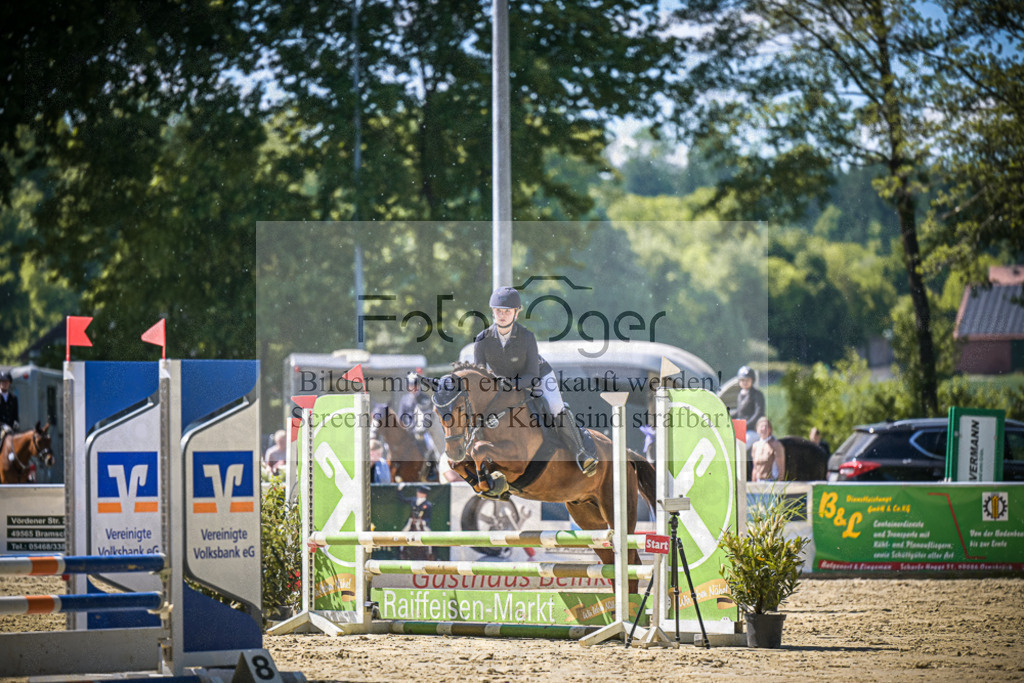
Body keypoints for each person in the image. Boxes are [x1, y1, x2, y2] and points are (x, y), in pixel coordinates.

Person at [473, 286, 597, 476]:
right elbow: (479, 374)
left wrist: (511, 385)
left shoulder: (526, 337)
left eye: (507, 311)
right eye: (498, 311)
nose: (502, 315)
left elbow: (531, 373)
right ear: (492, 312)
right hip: (503, 383)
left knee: (555, 405)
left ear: (516, 313)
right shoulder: (482, 339)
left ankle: (581, 451)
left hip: (537, 377)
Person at [398, 370, 437, 457]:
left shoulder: (425, 398)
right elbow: (401, 416)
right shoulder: (405, 399)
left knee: (431, 445)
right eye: (411, 386)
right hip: (408, 430)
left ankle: (433, 463)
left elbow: (429, 417)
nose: (414, 389)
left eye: (415, 386)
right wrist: (406, 427)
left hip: (422, 431)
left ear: (419, 386)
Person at [731, 366, 765, 449]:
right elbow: (739, 412)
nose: (745, 382)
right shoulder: (740, 394)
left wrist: (746, 425)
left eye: (747, 380)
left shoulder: (757, 394)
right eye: (742, 380)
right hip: (742, 428)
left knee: (743, 445)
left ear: (752, 380)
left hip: (752, 429)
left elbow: (759, 413)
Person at [750, 417, 786, 482]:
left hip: (771, 481)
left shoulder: (776, 445)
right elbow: (755, 468)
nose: (763, 429)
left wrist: (779, 484)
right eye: (761, 426)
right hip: (758, 482)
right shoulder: (755, 445)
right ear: (757, 429)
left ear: (770, 429)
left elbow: (781, 468)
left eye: (766, 426)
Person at [0, 370, 19, 443]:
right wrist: (3, 426)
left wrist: (16, 423)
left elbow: (15, 415)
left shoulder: (13, 398)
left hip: (11, 429)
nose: (5, 384)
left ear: (9, 383)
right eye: (2, 381)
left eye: (6, 382)